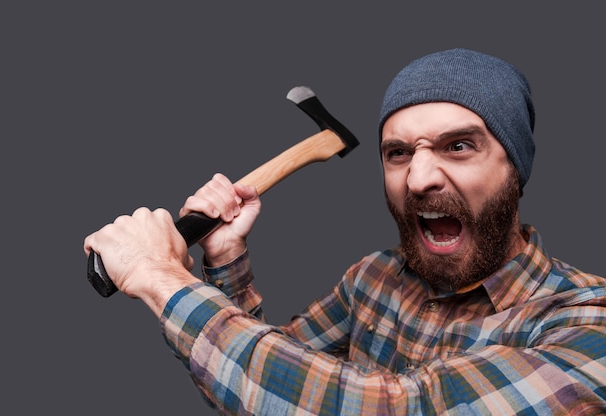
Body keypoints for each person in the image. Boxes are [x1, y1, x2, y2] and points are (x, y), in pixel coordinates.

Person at [84, 48, 606, 415]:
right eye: (397, 153)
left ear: (514, 169)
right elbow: (260, 386)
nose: (418, 178)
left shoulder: (587, 324)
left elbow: (403, 409)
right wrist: (224, 259)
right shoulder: (373, 279)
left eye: (459, 146)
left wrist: (161, 277)